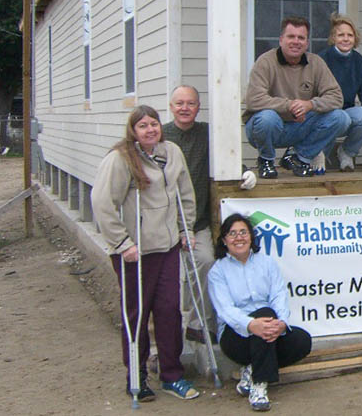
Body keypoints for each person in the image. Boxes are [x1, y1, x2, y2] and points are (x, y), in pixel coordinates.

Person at [92, 105, 200, 402]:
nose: (150, 129)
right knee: (137, 314)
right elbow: (102, 203)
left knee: (168, 310)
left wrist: (185, 229)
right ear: (133, 130)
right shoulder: (119, 159)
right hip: (135, 252)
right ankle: (136, 374)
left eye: (154, 124)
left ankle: (171, 374)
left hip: (166, 247)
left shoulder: (172, 152)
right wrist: (122, 242)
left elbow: (185, 194)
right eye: (143, 126)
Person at [163, 85, 257, 346]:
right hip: (163, 222)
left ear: (198, 106)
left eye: (190, 104)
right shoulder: (161, 136)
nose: (185, 108)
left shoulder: (206, 133)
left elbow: (227, 155)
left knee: (205, 261)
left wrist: (245, 171)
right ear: (171, 107)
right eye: (179, 103)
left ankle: (198, 324)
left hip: (197, 222)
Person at [208, 213, 312, 411]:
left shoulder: (267, 262)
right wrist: (250, 324)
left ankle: (253, 369)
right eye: (232, 234)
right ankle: (259, 385)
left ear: (251, 237)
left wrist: (281, 322)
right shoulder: (218, 271)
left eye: (243, 232)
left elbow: (279, 294)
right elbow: (225, 309)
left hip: (268, 330)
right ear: (224, 240)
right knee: (263, 313)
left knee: (301, 340)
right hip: (235, 335)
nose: (239, 238)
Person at [243, 16, 346, 178]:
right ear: (281, 39)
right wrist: (289, 106)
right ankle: (266, 160)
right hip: (266, 128)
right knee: (267, 118)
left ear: (307, 42)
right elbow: (254, 99)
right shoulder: (265, 62)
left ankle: (299, 157)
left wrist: (310, 105)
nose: (296, 41)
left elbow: (336, 97)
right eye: (291, 37)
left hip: (298, 126)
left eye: (301, 38)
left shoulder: (316, 63)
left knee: (341, 118)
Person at [318, 14, 362, 172]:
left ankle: (346, 152)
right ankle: (319, 153)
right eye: (341, 35)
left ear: (355, 38)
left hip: (346, 114)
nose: (346, 39)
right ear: (333, 38)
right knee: (338, 117)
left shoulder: (360, 63)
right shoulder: (321, 60)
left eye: (350, 35)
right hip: (323, 116)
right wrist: (316, 149)